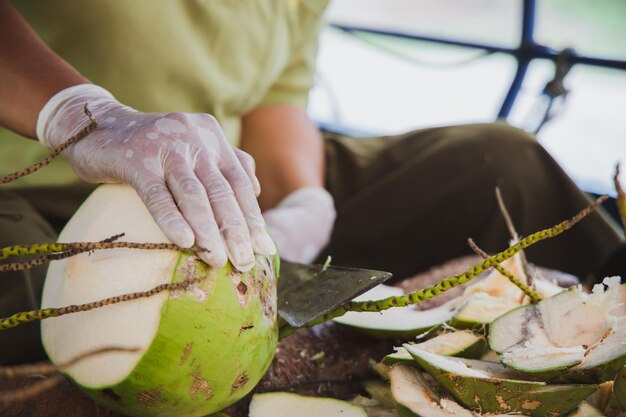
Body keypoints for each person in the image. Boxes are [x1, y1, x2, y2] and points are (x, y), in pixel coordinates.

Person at [1, 0, 624, 364]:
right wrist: (79, 115)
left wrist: (303, 201)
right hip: (22, 187)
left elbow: (276, 98)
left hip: (218, 188)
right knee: (24, 304)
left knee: (497, 159)